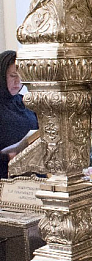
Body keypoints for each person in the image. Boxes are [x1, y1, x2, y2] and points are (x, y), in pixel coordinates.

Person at [0, 50, 38, 179]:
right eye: (13, 76)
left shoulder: (25, 102)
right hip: (5, 176)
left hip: (31, 174)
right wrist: (6, 156)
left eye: (21, 76)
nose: (18, 81)